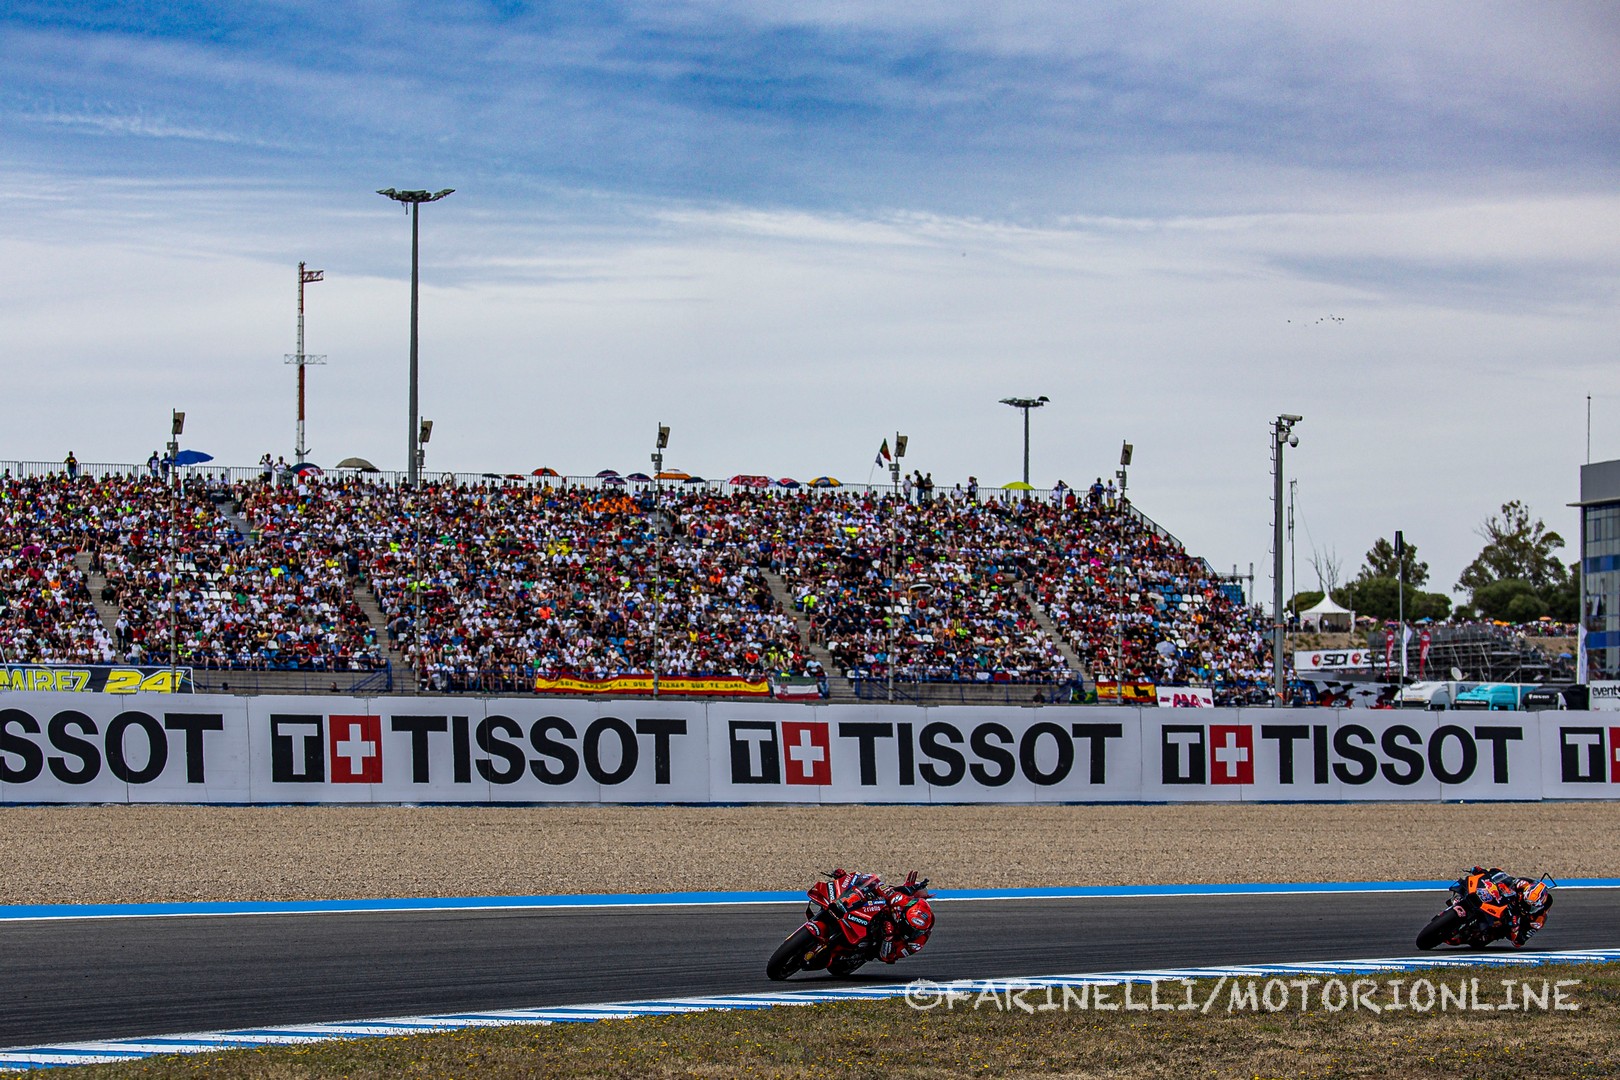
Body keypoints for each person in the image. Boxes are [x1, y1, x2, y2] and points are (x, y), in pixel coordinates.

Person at [828, 868, 933, 963]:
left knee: (872, 951)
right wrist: (847, 879)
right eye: (908, 927)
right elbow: (879, 886)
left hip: (880, 941)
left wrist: (888, 936)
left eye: (913, 931)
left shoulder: (916, 943)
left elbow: (888, 957)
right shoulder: (901, 901)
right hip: (874, 912)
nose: (910, 932)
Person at [1467, 867, 1553, 947]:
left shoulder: (1539, 919)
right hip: (1504, 903)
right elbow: (1503, 877)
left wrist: (1515, 929)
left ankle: (1483, 933)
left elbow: (1519, 942)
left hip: (1512, 922)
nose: (1526, 907)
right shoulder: (1523, 884)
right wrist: (1483, 872)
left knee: (1499, 928)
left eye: (1532, 907)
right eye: (1526, 903)